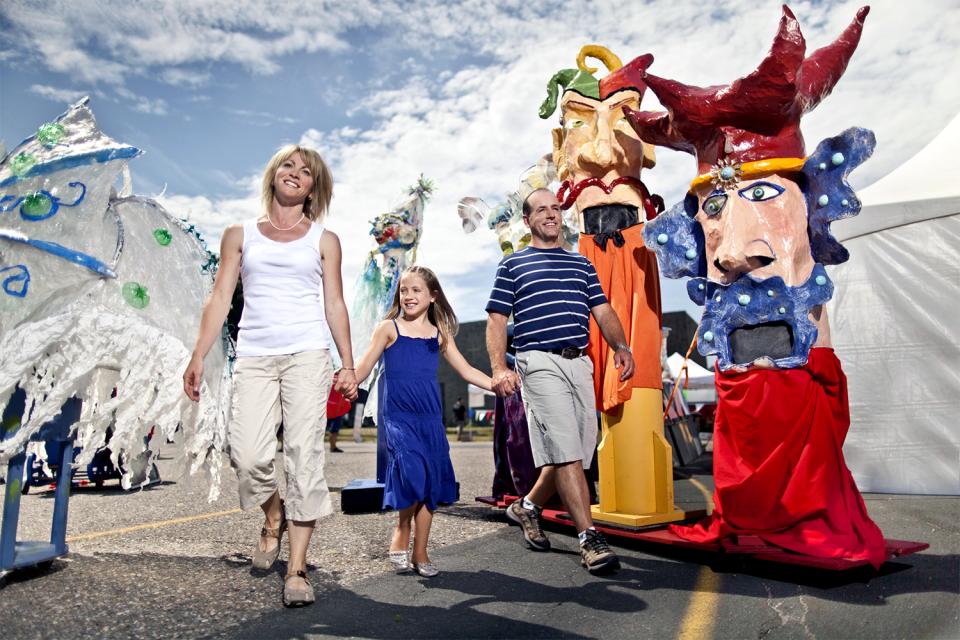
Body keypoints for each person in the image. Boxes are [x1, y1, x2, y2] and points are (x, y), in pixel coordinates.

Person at [183, 144, 358, 607]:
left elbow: (334, 303)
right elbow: (220, 297)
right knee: (248, 455)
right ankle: (273, 514)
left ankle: (297, 569)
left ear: (313, 188)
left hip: (307, 355)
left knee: (304, 458)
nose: (295, 174)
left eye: (306, 172)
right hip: (256, 356)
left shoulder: (324, 239)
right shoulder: (240, 233)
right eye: (288, 165)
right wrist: (199, 354)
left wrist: (348, 362)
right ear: (273, 174)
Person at [486, 188, 635, 575]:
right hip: (538, 362)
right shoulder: (513, 265)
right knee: (567, 452)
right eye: (541, 210)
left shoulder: (581, 265)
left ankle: (527, 506)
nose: (551, 214)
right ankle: (589, 537)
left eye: (555, 208)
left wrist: (621, 346)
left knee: (573, 452)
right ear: (527, 220)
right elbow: (497, 320)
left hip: (578, 364)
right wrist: (499, 369)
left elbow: (602, 309)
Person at [354, 266, 492, 577]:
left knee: (431, 482)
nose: (408, 296)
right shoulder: (389, 328)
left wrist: (496, 383)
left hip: (430, 419)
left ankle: (421, 550)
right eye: (404, 290)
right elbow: (364, 366)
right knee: (413, 473)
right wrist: (347, 379)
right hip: (400, 417)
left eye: (416, 290)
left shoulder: (439, 333)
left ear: (432, 296)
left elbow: (467, 370)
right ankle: (402, 527)